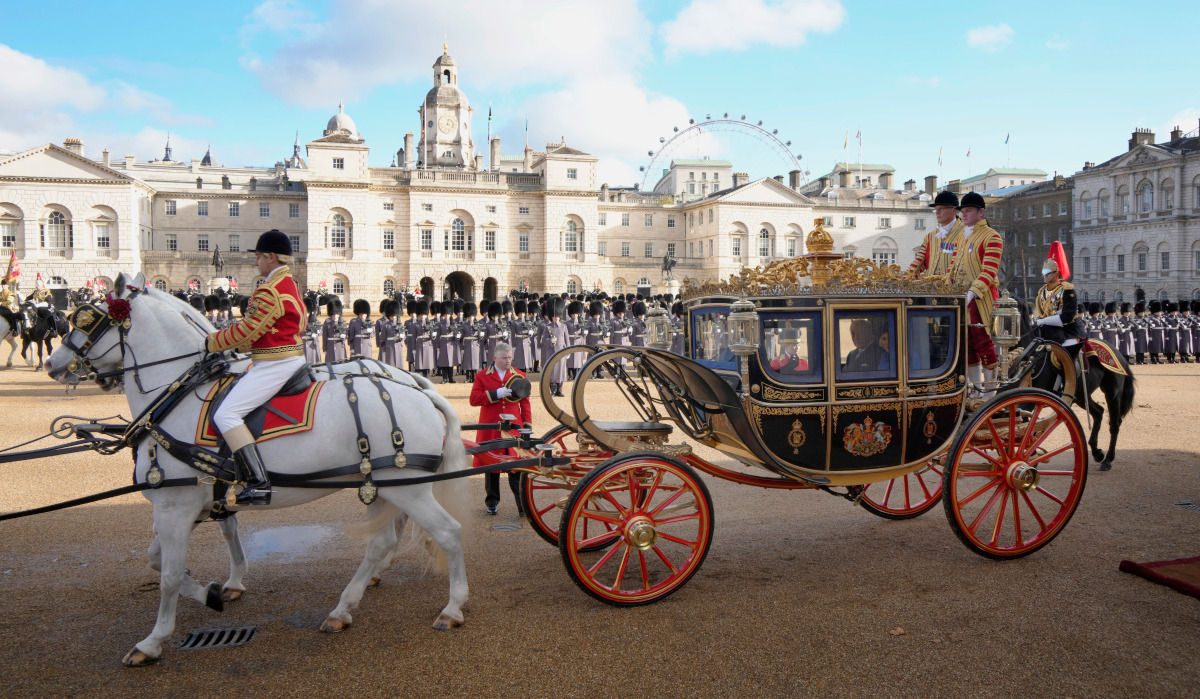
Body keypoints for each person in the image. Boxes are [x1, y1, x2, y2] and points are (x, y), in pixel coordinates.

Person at [205, 230, 306, 506]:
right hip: (282, 357)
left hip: (275, 364)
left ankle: (259, 482)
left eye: (259, 256)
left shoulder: (270, 289)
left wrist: (210, 342)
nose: (255, 262)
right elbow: (283, 328)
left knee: (226, 414)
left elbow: (248, 328)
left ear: (271, 257)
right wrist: (240, 349)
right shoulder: (288, 283)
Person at [948, 192, 1003, 395]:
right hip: (962, 298)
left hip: (981, 299)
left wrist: (972, 292)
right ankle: (974, 391)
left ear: (981, 212)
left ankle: (989, 393)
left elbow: (989, 271)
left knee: (984, 343)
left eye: (968, 210)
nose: (964, 214)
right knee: (967, 345)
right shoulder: (962, 238)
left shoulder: (992, 236)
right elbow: (952, 269)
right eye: (962, 211)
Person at [469, 342, 532, 516]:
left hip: (513, 428)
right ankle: (491, 502)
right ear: (495, 358)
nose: (508, 361)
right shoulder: (482, 376)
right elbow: (474, 399)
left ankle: (522, 505)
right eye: (504, 358)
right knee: (491, 467)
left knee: (516, 467)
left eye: (510, 357)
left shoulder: (519, 375)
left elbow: (525, 405)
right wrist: (495, 394)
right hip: (491, 427)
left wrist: (526, 427)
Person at [1031, 241, 1085, 357]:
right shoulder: (1042, 291)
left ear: (1057, 273)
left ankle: (1070, 375)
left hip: (1068, 330)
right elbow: (1043, 313)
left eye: (1048, 272)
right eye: (1043, 272)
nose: (1045, 275)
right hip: (1049, 330)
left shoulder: (1067, 290)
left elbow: (1067, 316)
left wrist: (1043, 321)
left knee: (1064, 356)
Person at [908, 190, 964, 277]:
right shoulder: (930, 237)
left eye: (941, 209)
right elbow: (918, 263)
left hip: (956, 288)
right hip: (932, 289)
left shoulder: (966, 234)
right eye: (936, 210)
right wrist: (906, 278)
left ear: (954, 210)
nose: (937, 213)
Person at [321, 298, 347, 362]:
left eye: (336, 314)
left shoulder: (343, 322)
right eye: (333, 314)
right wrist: (324, 349)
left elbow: (346, 334)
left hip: (340, 346)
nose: (335, 316)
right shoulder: (327, 322)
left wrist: (344, 336)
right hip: (330, 346)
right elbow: (325, 336)